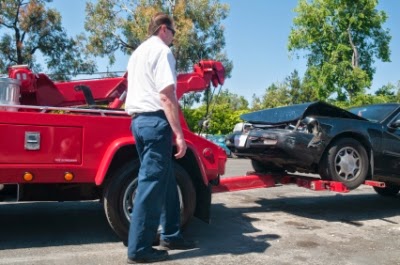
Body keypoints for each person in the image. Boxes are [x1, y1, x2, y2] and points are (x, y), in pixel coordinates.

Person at [124, 12, 196, 264]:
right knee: (151, 184)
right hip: (155, 123)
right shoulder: (162, 51)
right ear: (164, 29)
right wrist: (179, 134)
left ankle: (172, 235)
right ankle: (139, 249)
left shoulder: (137, 54)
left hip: (139, 122)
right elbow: (166, 96)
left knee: (165, 180)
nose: (174, 38)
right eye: (174, 32)